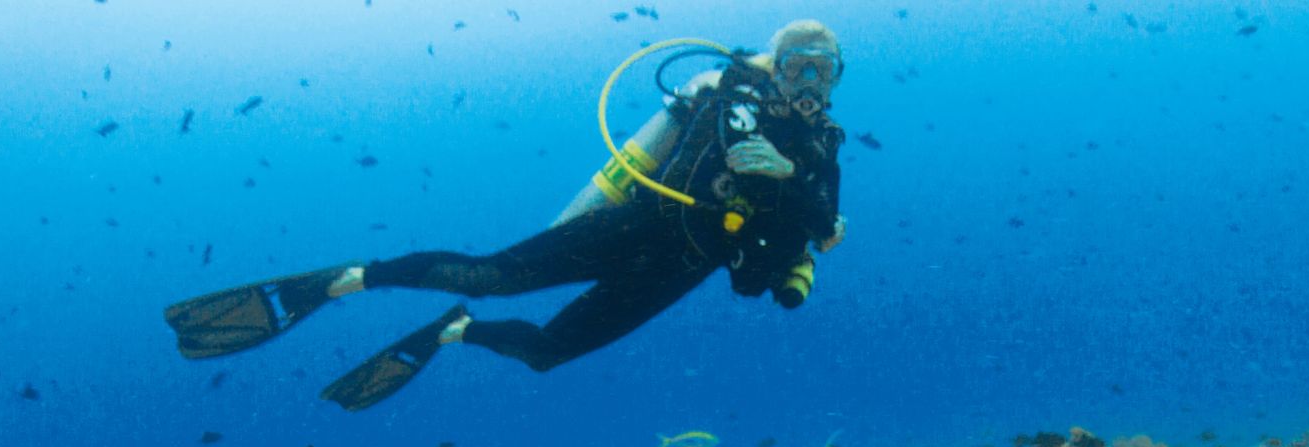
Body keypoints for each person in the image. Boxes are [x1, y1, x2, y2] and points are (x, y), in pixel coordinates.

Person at [163, 21, 848, 410]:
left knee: (547, 353)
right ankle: (344, 280)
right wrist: (791, 194)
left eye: (824, 71)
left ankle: (457, 332)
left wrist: (795, 219)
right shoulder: (736, 95)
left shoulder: (821, 152)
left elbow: (801, 238)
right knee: (492, 274)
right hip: (637, 225)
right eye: (798, 67)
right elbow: (739, 151)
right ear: (775, 65)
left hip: (682, 269)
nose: (809, 84)